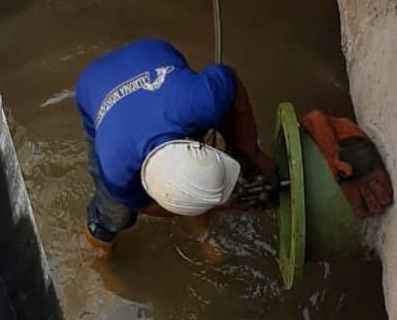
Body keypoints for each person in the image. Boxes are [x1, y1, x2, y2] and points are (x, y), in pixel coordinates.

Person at [75, 38, 277, 253]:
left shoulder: (204, 102)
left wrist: (249, 152)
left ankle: (197, 216)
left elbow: (232, 82)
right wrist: (219, 205)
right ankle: (95, 247)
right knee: (116, 214)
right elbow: (145, 206)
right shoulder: (118, 171)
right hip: (94, 83)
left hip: (149, 53)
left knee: (201, 144)